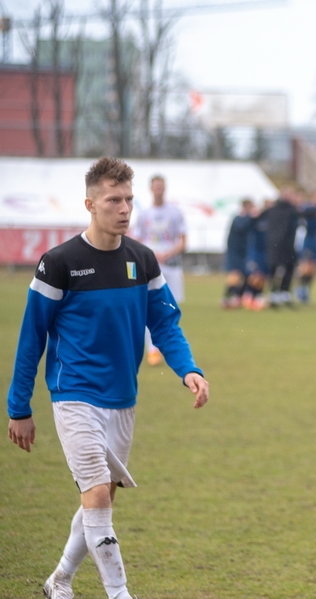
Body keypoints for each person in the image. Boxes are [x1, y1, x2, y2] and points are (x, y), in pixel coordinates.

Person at [6, 157, 209, 599]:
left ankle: (59, 580)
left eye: (129, 200)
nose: (124, 209)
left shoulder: (143, 259)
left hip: (123, 398)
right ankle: (120, 594)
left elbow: (166, 324)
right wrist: (19, 408)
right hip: (74, 394)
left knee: (102, 498)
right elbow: (30, 340)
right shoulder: (59, 263)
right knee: (97, 493)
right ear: (90, 204)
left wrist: (188, 369)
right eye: (113, 200)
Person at [132, 174, 187, 365]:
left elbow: (183, 241)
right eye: (155, 187)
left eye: (161, 187)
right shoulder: (144, 214)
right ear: (151, 189)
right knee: (150, 306)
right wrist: (151, 254)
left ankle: (169, 345)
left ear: (165, 188)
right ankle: (152, 349)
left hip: (172, 266)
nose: (158, 190)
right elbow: (137, 240)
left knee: (172, 307)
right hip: (151, 266)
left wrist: (169, 253)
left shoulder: (175, 213)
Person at [261, 187, 301, 308]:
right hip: (285, 244)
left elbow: (258, 218)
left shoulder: (271, 209)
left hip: (274, 244)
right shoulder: (291, 210)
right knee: (286, 268)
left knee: (278, 269)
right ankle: (280, 294)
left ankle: (277, 294)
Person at [222, 198, 257, 309]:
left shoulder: (247, 219)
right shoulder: (239, 218)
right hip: (236, 251)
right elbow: (241, 227)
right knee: (235, 275)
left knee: (245, 274)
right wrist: (250, 217)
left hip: (245, 251)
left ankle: (239, 297)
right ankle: (228, 297)